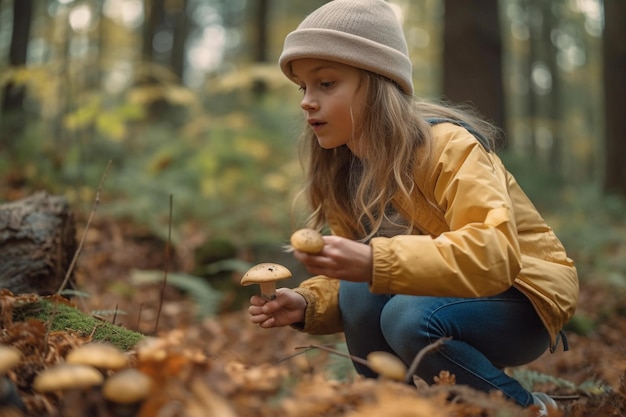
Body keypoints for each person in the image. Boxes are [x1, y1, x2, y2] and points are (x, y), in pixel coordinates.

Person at [247, 0, 578, 414]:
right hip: (437, 300)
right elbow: (358, 283)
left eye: (326, 84)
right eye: (304, 88)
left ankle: (527, 409)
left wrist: (374, 262)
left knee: (406, 315)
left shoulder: (450, 148)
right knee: (363, 288)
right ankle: (393, 407)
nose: (307, 102)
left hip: (520, 302)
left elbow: (494, 254)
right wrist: (306, 303)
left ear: (379, 83)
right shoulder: (345, 170)